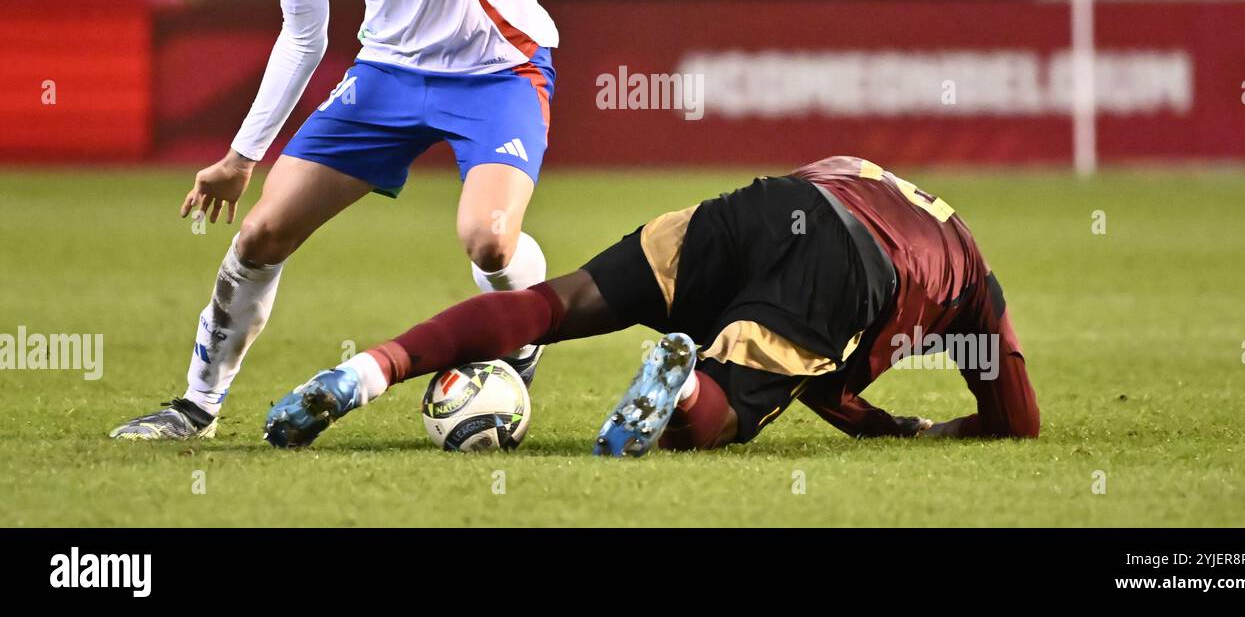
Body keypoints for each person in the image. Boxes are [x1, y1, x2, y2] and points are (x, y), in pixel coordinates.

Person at [110, 0, 585, 440]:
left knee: (488, 240)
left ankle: (520, 333)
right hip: (389, 73)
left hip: (498, 66)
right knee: (261, 233)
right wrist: (243, 155)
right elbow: (304, 36)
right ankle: (196, 406)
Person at [263, 154, 1039, 454]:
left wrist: (882, 422)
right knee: (724, 415)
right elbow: (1019, 420)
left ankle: (371, 366)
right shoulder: (970, 275)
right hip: (850, 267)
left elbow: (825, 381)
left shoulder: (862, 167)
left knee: (558, 300)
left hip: (775, 200)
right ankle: (688, 383)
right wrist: (924, 426)